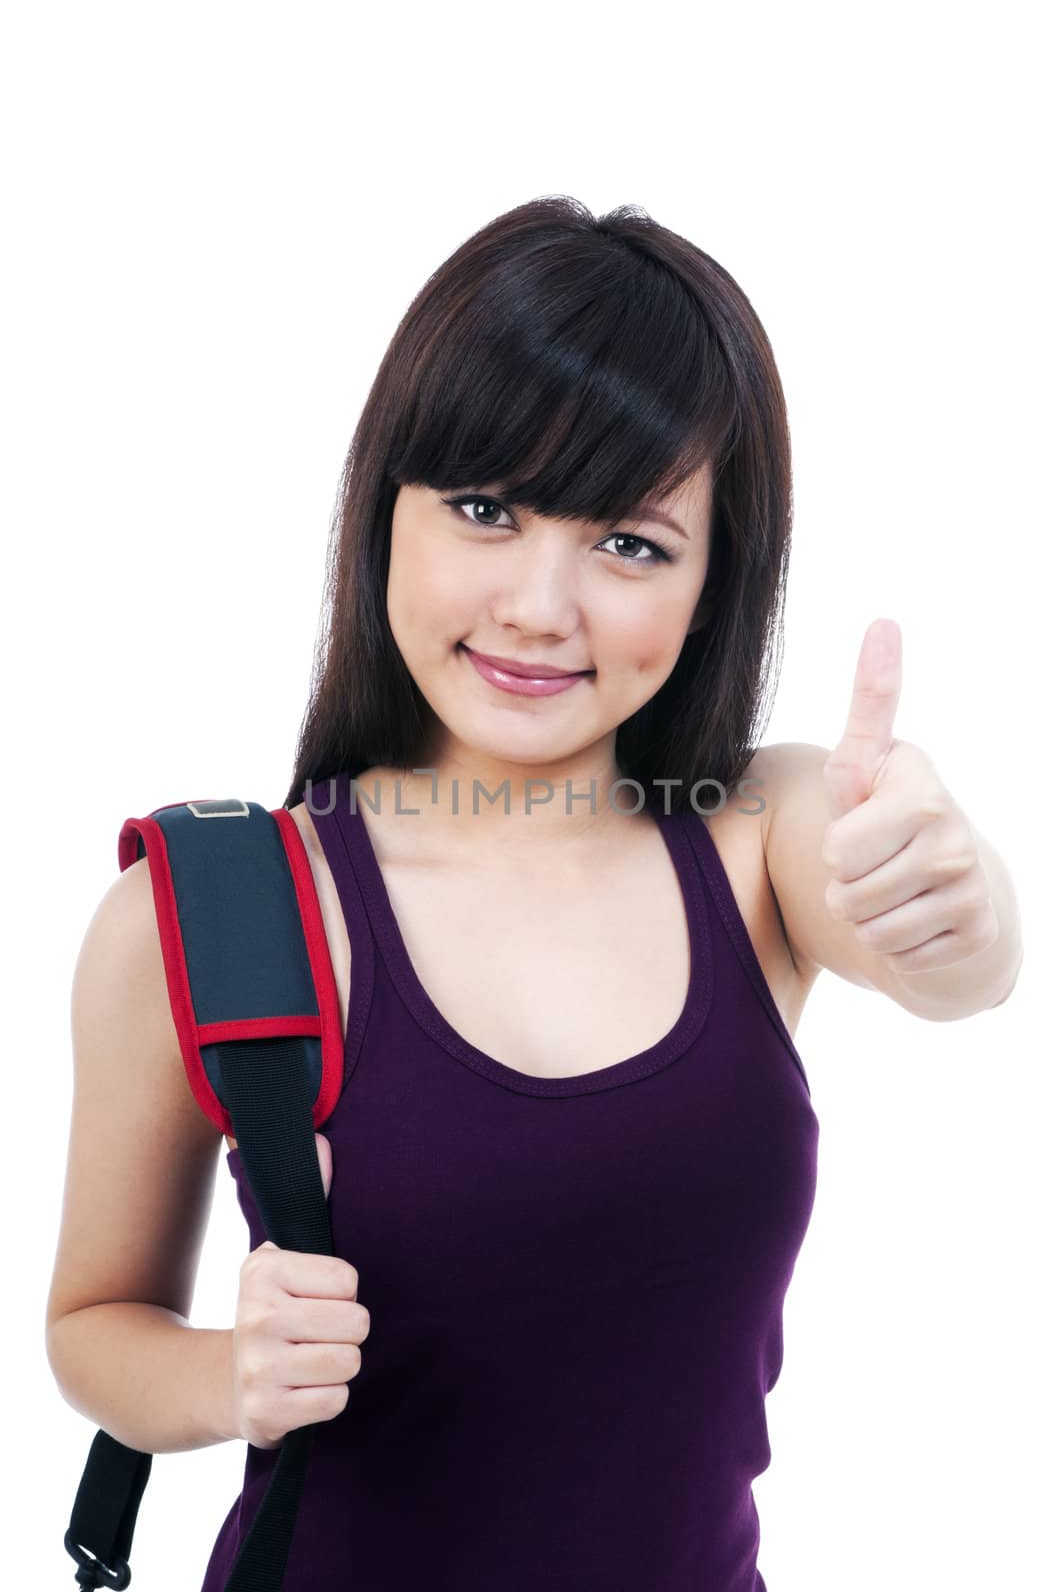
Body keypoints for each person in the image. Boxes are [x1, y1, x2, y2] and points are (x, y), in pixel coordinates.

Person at [45, 195, 1022, 1592]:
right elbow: (94, 1322)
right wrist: (228, 1377)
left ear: (710, 586)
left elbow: (952, 963)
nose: (537, 607)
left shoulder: (759, 839)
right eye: (486, 510)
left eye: (629, 543)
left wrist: (962, 905)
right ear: (387, 506)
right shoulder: (213, 911)